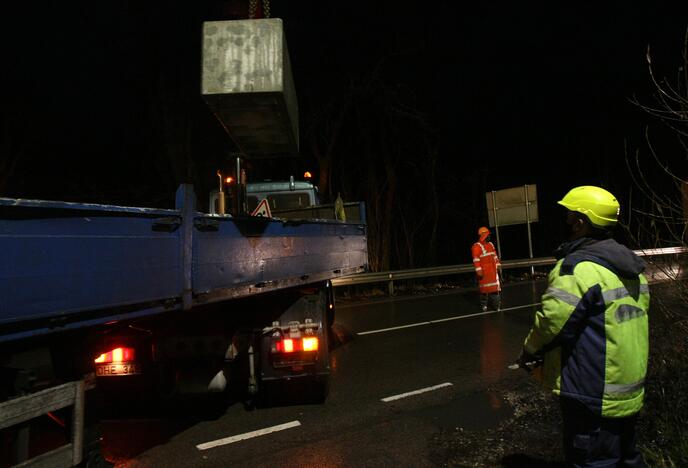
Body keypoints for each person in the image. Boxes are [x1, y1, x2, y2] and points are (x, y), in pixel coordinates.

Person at [520, 185, 649, 467]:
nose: (565, 222)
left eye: (569, 216)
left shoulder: (578, 268)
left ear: (580, 221)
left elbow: (553, 322)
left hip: (592, 391)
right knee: (628, 457)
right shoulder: (631, 268)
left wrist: (529, 350)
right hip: (628, 388)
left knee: (593, 461)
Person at [471, 226, 501, 312]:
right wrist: (479, 271)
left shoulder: (491, 244)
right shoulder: (476, 246)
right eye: (488, 235)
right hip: (484, 273)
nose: (489, 237)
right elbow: (476, 260)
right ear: (483, 236)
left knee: (495, 290)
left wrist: (497, 264)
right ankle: (484, 304)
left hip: (493, 272)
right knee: (484, 291)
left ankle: (497, 305)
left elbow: (494, 255)